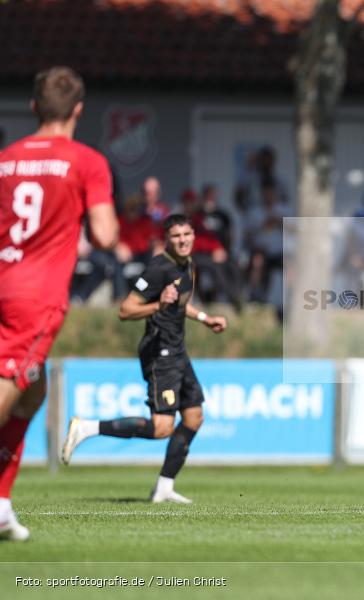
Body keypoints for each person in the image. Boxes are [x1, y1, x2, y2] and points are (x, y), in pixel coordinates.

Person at [0, 67, 118, 541]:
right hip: (36, 294)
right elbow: (107, 234)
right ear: (78, 111)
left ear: (33, 108)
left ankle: (2, 505)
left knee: (33, 392)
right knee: (12, 383)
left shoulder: (6, 159)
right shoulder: (85, 161)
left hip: (3, 279)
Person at [60, 214, 227, 504]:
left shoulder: (187, 264)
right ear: (166, 239)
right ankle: (87, 427)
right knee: (162, 427)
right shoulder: (157, 269)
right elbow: (125, 310)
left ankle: (164, 487)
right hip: (159, 351)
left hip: (177, 350)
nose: (183, 240)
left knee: (194, 416)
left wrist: (205, 317)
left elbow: (181, 304)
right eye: (176, 236)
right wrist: (157, 304)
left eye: (187, 234)